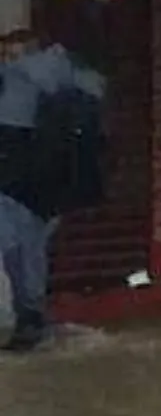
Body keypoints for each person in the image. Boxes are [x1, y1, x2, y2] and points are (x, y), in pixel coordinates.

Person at [0, 31, 107, 353]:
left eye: (11, 54)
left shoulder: (23, 78)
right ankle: (31, 317)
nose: (8, 62)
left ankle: (31, 319)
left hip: (24, 181)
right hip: (48, 183)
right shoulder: (71, 78)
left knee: (20, 251)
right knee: (24, 251)